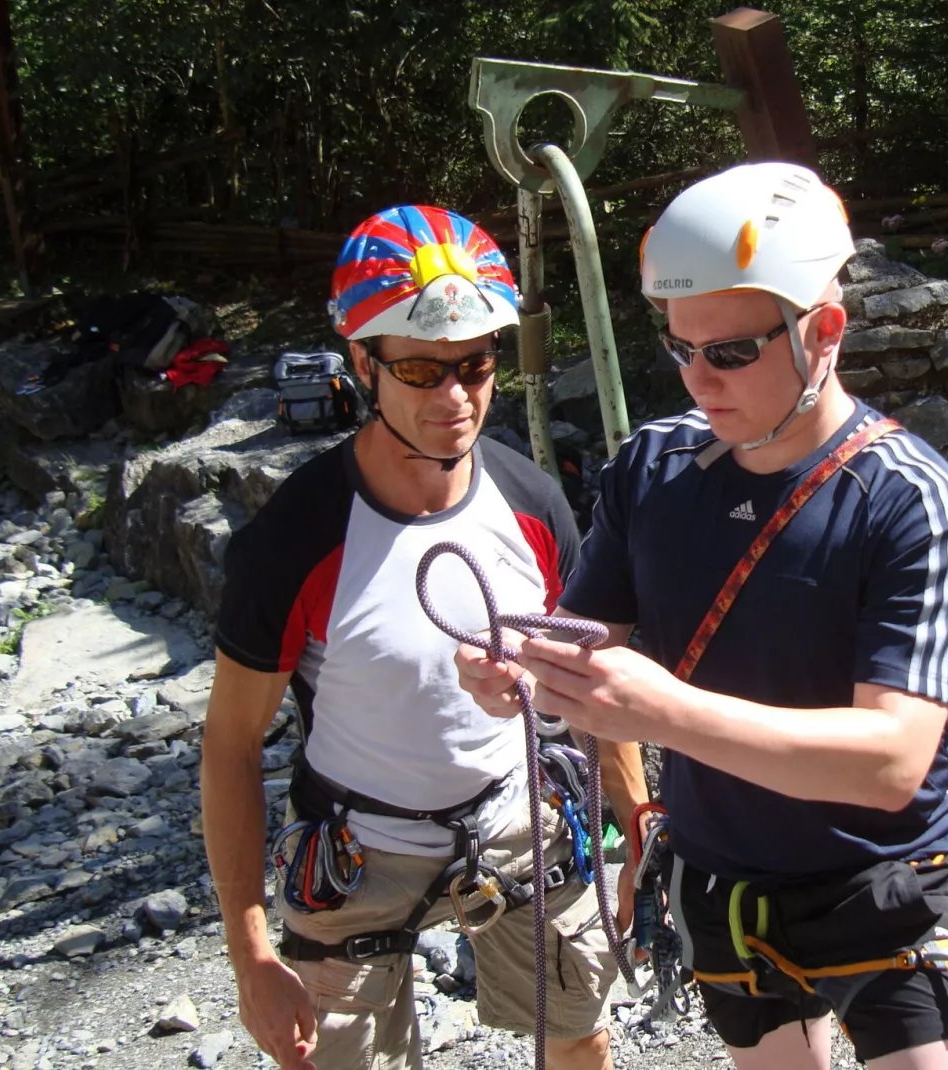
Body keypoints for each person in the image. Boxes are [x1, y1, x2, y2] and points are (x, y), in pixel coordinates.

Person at [455, 162, 948, 1070]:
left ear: (823, 330)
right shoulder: (653, 468)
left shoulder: (908, 499)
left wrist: (662, 712)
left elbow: (893, 762)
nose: (699, 381)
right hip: (724, 892)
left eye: (730, 352)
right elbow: (578, 656)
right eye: (679, 349)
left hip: (891, 881)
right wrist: (513, 681)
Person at [201, 205, 645, 1070]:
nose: (455, 398)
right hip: (358, 845)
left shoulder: (530, 501)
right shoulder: (297, 539)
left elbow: (594, 681)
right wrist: (251, 951)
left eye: (476, 366)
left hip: (520, 815)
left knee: (581, 1040)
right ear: (361, 362)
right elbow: (230, 741)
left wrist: (641, 825)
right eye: (419, 368)